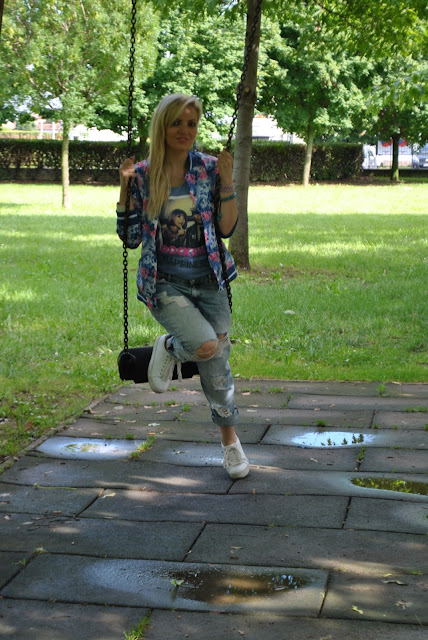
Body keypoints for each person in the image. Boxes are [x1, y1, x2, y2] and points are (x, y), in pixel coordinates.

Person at [116, 93, 249, 480]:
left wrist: (228, 181)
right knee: (207, 347)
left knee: (217, 362)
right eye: (177, 122)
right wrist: (124, 188)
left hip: (210, 280)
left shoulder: (208, 168)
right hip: (165, 284)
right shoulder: (143, 175)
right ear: (162, 125)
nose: (185, 130)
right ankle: (174, 346)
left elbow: (226, 229)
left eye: (191, 124)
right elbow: (130, 238)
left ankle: (230, 443)